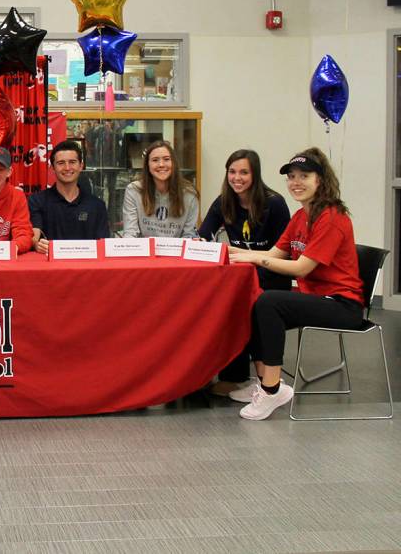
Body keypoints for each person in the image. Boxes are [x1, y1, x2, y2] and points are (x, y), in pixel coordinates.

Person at [228, 148, 364, 420]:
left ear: (320, 180)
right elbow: (273, 254)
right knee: (254, 298)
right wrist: (225, 252)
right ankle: (264, 382)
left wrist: (252, 258)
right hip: (315, 296)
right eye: (291, 176)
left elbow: (301, 267)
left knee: (270, 302)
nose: (296, 182)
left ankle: (272, 390)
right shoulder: (301, 216)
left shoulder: (332, 217)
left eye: (304, 176)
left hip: (343, 304)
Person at [199, 149, 292, 396]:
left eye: (244, 172)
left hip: (273, 275)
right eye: (232, 172)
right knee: (221, 301)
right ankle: (230, 375)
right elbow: (204, 235)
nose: (237, 178)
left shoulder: (275, 203)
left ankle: (260, 380)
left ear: (255, 175)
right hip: (242, 274)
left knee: (243, 303)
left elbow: (284, 252)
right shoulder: (224, 201)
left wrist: (244, 254)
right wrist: (202, 243)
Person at [29, 140, 110, 253]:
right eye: (61, 163)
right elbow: (34, 235)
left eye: (72, 162)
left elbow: (103, 245)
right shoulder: (37, 201)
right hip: (50, 263)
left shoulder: (97, 206)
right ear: (52, 167)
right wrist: (36, 244)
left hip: (87, 263)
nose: (67, 168)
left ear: (81, 166)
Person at [122, 140, 199, 238]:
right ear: (147, 165)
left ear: (174, 163)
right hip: (143, 248)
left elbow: (189, 236)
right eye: (155, 160)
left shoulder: (189, 194)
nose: (161, 164)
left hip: (176, 248)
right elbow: (130, 233)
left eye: (166, 159)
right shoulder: (134, 190)